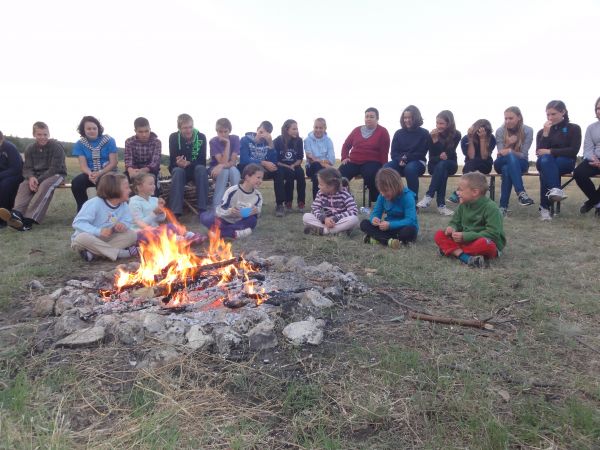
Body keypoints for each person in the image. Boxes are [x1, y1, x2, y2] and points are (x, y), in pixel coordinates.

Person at [0, 122, 67, 231]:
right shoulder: (30, 148)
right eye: (39, 134)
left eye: (45, 134)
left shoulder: (56, 147)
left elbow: (55, 168)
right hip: (36, 176)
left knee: (45, 185)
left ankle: (28, 220)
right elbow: (27, 167)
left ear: (49, 134)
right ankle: (17, 214)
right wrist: (31, 177)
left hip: (57, 174)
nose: (43, 137)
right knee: (24, 185)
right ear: (34, 135)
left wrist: (38, 181)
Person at [434, 172, 505, 268]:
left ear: (475, 192)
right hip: (465, 241)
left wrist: (466, 236)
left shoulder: (491, 208)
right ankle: (465, 258)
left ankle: (451, 250)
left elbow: (493, 233)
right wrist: (452, 227)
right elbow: (455, 222)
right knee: (439, 234)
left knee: (485, 244)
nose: (457, 192)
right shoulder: (463, 205)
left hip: (485, 241)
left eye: (460, 190)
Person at [71, 172, 138, 262]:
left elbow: (127, 220)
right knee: (81, 238)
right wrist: (98, 231)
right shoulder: (94, 203)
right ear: (114, 189)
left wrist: (123, 225)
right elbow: (78, 223)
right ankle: (119, 253)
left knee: (132, 235)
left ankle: (94, 254)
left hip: (106, 239)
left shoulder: (124, 205)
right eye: (126, 188)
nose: (130, 190)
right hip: (89, 239)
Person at [535, 100, 582, 221]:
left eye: (553, 114)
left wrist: (550, 151)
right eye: (548, 115)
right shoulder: (542, 132)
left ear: (563, 112)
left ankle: (544, 208)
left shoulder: (574, 128)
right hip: (544, 161)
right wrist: (545, 134)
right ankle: (556, 190)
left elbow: (573, 150)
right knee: (545, 161)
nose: (550, 117)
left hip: (566, 162)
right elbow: (539, 152)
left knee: (547, 167)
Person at [129, 173, 201, 244]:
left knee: (171, 226)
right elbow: (141, 224)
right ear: (139, 187)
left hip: (155, 229)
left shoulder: (154, 200)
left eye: (154, 184)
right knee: (157, 233)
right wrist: (154, 213)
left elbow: (160, 219)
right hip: (140, 233)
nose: (154, 186)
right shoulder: (134, 202)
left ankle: (190, 235)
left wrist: (162, 211)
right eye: (150, 184)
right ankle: (177, 240)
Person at [339, 107, 390, 204]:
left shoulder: (383, 132)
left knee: (371, 175)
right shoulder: (356, 130)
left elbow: (384, 152)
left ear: (377, 119)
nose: (369, 119)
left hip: (372, 161)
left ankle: (377, 200)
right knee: (339, 175)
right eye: (367, 116)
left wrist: (384, 168)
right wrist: (344, 157)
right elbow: (346, 145)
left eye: (372, 117)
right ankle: (345, 198)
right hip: (353, 161)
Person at [200, 163, 263, 239]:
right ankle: (235, 232)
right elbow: (220, 210)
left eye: (261, 178)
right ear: (247, 177)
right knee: (205, 217)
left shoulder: (258, 196)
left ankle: (221, 232)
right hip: (225, 219)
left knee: (252, 220)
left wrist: (256, 211)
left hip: (240, 221)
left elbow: (257, 212)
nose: (260, 181)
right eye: (258, 177)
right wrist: (230, 211)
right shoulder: (233, 190)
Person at [359, 168, 418, 248]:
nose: (383, 194)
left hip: (402, 228)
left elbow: (410, 220)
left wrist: (391, 225)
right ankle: (389, 241)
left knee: (408, 232)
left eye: (386, 191)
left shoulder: (408, 197)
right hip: (388, 229)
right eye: (381, 191)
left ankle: (378, 239)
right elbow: (376, 212)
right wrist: (374, 218)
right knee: (364, 224)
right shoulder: (382, 196)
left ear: (396, 186)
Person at [416, 110, 461, 216]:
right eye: (437, 123)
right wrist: (434, 140)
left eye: (441, 123)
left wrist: (437, 143)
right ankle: (441, 206)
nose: (438, 126)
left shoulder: (456, 134)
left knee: (443, 165)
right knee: (442, 169)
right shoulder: (431, 135)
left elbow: (449, 154)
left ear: (449, 124)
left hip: (451, 164)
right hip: (434, 165)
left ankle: (429, 196)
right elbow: (432, 157)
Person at [238, 121, 286, 217]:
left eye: (264, 133)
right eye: (260, 131)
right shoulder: (245, 140)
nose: (261, 135)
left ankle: (280, 205)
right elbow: (244, 159)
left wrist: (271, 145)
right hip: (247, 168)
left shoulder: (267, 143)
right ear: (257, 129)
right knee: (249, 169)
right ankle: (247, 203)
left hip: (262, 169)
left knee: (279, 171)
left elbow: (273, 161)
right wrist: (263, 162)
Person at [71, 116, 118, 212]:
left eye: (94, 128)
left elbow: (113, 163)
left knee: (103, 181)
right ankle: (83, 210)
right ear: (83, 130)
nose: (92, 131)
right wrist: (90, 174)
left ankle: (105, 212)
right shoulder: (80, 144)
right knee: (77, 182)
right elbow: (83, 165)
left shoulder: (109, 140)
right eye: (88, 128)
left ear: (98, 128)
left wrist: (99, 173)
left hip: (107, 171)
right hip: (90, 173)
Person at [494, 107, 535, 216]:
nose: (507, 121)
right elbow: (500, 153)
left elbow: (523, 155)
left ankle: (502, 208)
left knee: (507, 168)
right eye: (505, 118)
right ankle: (521, 193)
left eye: (510, 118)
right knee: (508, 160)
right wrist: (508, 144)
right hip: (500, 161)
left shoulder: (528, 130)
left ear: (519, 118)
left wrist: (510, 151)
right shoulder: (500, 131)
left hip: (521, 163)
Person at [168, 113, 209, 216]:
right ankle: (176, 212)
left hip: (195, 169)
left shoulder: (201, 137)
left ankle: (202, 208)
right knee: (177, 171)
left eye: (190, 127)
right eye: (185, 128)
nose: (188, 130)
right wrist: (178, 163)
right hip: (179, 169)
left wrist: (189, 163)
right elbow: (172, 162)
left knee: (201, 169)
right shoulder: (173, 137)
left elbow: (202, 162)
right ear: (179, 128)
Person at [384, 105, 430, 197]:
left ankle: (412, 201)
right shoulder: (398, 133)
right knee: (386, 168)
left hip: (417, 162)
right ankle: (392, 197)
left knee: (410, 169)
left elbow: (421, 153)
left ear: (416, 118)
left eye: (410, 118)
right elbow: (393, 153)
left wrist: (405, 158)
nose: (407, 120)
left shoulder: (424, 133)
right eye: (405, 118)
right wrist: (400, 160)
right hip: (400, 161)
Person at [448, 119, 496, 203]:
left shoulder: (491, 138)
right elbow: (471, 156)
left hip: (485, 165)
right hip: (470, 166)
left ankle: (459, 192)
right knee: (472, 162)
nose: (479, 134)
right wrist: (470, 139)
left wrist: (482, 139)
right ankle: (466, 195)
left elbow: (484, 156)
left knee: (473, 163)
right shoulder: (466, 139)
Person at [302, 167, 358, 236]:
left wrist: (335, 218)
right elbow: (314, 208)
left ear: (331, 186)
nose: (318, 186)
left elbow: (353, 211)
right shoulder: (320, 193)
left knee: (354, 219)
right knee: (306, 216)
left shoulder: (344, 194)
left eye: (321, 184)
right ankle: (336, 232)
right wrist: (324, 219)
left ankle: (323, 231)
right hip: (326, 221)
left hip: (340, 221)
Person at [573, 96, 600, 216]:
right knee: (579, 173)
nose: (599, 111)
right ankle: (597, 204)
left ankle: (590, 203)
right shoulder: (591, 128)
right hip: (595, 159)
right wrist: (592, 158)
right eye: (597, 108)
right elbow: (588, 149)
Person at [208, 118, 241, 210]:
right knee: (225, 172)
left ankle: (237, 204)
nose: (223, 134)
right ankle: (217, 206)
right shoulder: (213, 141)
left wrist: (228, 142)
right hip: (215, 168)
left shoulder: (235, 139)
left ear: (229, 131)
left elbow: (233, 162)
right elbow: (222, 161)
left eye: (225, 131)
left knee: (233, 170)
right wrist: (227, 145)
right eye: (220, 131)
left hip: (227, 167)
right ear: (216, 131)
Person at [274, 119, 306, 212]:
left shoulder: (299, 140)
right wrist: (288, 166)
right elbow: (275, 160)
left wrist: (293, 165)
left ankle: (301, 202)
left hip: (295, 165)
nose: (296, 131)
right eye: (294, 129)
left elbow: (300, 158)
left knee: (300, 174)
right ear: (286, 129)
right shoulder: (278, 140)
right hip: (282, 166)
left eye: (297, 129)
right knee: (290, 175)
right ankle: (288, 202)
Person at [124, 117, 162, 192]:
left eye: (146, 131)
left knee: (150, 183)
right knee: (122, 182)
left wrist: (143, 171)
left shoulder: (157, 142)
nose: (144, 134)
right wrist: (131, 171)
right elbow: (128, 159)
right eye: (140, 132)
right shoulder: (129, 141)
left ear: (150, 129)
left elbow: (155, 162)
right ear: (135, 131)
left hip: (150, 170)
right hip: (134, 170)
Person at [304, 118, 335, 200]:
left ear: (325, 128)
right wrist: (324, 163)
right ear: (313, 127)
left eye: (320, 128)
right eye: (316, 127)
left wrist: (322, 163)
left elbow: (332, 160)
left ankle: (318, 202)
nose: (318, 130)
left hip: (324, 169)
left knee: (318, 176)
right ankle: (319, 201)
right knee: (316, 165)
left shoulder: (328, 141)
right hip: (311, 168)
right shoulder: (307, 140)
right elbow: (310, 158)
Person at [0, 130, 24, 228]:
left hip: (16, 175)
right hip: (3, 175)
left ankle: (3, 218)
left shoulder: (9, 148)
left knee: (5, 184)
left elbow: (16, 168)